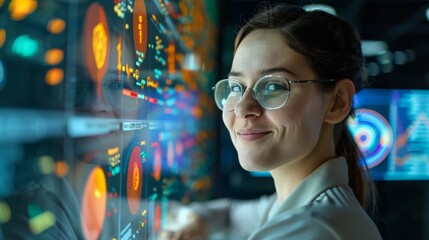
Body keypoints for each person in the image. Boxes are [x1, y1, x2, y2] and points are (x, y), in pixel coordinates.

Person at [158, 3, 382, 240]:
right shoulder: (297, 205)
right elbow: (231, 215)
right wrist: (198, 220)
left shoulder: (313, 230)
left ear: (337, 102)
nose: (243, 108)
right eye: (236, 87)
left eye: (274, 86)